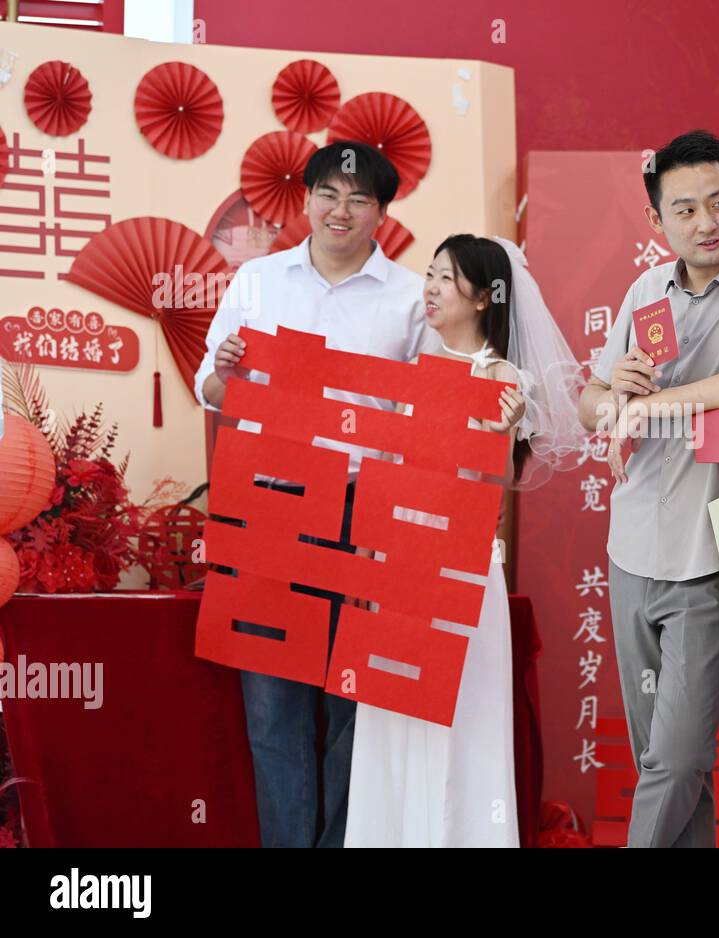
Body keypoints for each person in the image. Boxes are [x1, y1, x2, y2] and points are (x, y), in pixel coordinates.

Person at [195, 141, 451, 847]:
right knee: (272, 708)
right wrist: (227, 372)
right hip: (269, 506)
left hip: (364, 512)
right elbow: (213, 391)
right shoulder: (258, 281)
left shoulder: (409, 297)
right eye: (329, 195)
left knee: (353, 707)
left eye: (359, 198)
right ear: (304, 199)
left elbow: (430, 411)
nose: (341, 211)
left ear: (382, 212)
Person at [578, 130, 719, 847]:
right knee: (670, 763)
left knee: (675, 759)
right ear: (658, 222)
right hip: (632, 547)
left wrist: (647, 407)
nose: (705, 222)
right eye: (684, 210)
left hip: (712, 550)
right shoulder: (646, 290)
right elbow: (591, 402)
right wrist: (613, 395)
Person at [345, 234, 584, 847]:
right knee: (392, 718)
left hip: (458, 565)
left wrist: (499, 431)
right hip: (398, 558)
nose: (428, 288)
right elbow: (389, 469)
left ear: (483, 297)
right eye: (428, 275)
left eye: (444, 278)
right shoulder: (417, 370)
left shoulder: (501, 375)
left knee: (456, 720)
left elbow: (499, 479)